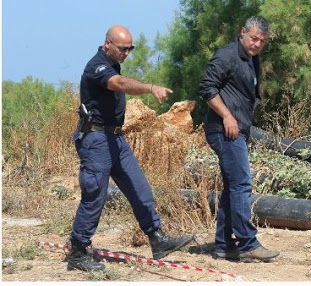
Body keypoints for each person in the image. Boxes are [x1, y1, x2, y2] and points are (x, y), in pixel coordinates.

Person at [68, 25, 193, 272]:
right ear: (108, 44)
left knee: (140, 189)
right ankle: (78, 252)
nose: (127, 52)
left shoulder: (113, 63)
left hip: (115, 139)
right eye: (123, 48)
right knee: (94, 196)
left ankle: (158, 240)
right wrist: (149, 88)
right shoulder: (97, 66)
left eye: (130, 48)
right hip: (96, 140)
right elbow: (120, 83)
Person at [199, 16, 280, 263]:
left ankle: (224, 245)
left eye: (262, 41)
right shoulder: (227, 55)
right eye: (253, 38)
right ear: (243, 32)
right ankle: (247, 244)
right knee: (242, 184)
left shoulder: (252, 58)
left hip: (238, 130)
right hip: (224, 130)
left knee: (232, 188)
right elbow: (206, 88)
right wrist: (227, 116)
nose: (257, 44)